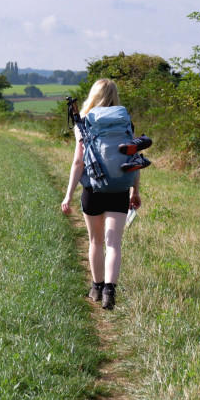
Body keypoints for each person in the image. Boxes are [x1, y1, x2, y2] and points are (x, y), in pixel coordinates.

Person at [61, 78, 141, 310]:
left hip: (92, 189)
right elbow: (133, 161)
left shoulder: (84, 123)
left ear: (93, 96)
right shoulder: (126, 124)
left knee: (96, 241)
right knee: (113, 244)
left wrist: (68, 196)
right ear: (115, 97)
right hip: (119, 189)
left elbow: (78, 162)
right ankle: (110, 291)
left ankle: (96, 288)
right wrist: (135, 190)